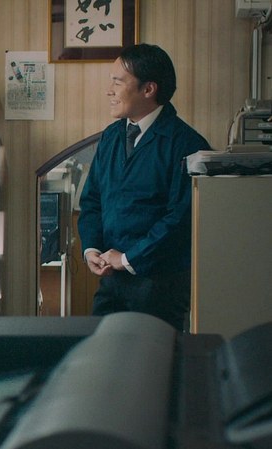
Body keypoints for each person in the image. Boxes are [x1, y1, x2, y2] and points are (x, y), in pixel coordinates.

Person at [78, 44, 210, 331]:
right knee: (100, 350)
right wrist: (91, 249)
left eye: (118, 82)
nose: (109, 91)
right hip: (111, 278)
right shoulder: (112, 136)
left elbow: (181, 219)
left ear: (148, 89)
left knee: (154, 356)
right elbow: (92, 201)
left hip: (159, 283)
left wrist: (128, 258)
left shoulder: (187, 144)